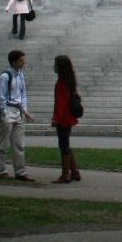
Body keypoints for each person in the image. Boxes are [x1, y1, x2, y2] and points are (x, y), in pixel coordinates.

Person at [0, 50, 34, 181]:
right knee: (4, 144)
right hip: (8, 110)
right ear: (14, 62)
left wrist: (25, 110)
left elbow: (23, 94)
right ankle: (1, 171)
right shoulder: (5, 77)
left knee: (19, 144)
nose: (24, 63)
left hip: (18, 112)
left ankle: (20, 172)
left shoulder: (20, 75)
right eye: (21, 61)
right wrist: (4, 113)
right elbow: (1, 97)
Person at [51, 54, 82, 183]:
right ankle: (74, 172)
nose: (54, 67)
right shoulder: (70, 81)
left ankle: (65, 175)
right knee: (66, 144)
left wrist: (56, 119)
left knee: (63, 145)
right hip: (69, 117)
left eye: (56, 65)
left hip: (63, 119)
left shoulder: (61, 84)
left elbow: (61, 104)